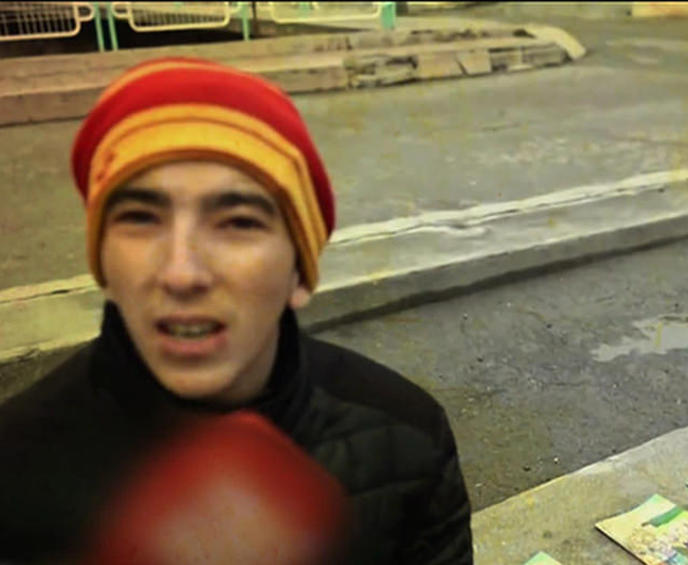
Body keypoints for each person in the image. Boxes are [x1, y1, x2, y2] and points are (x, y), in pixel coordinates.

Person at [0, 57, 473, 564]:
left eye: (238, 223)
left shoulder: (408, 436)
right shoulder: (14, 463)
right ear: (102, 263)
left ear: (299, 273)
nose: (181, 273)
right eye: (140, 218)